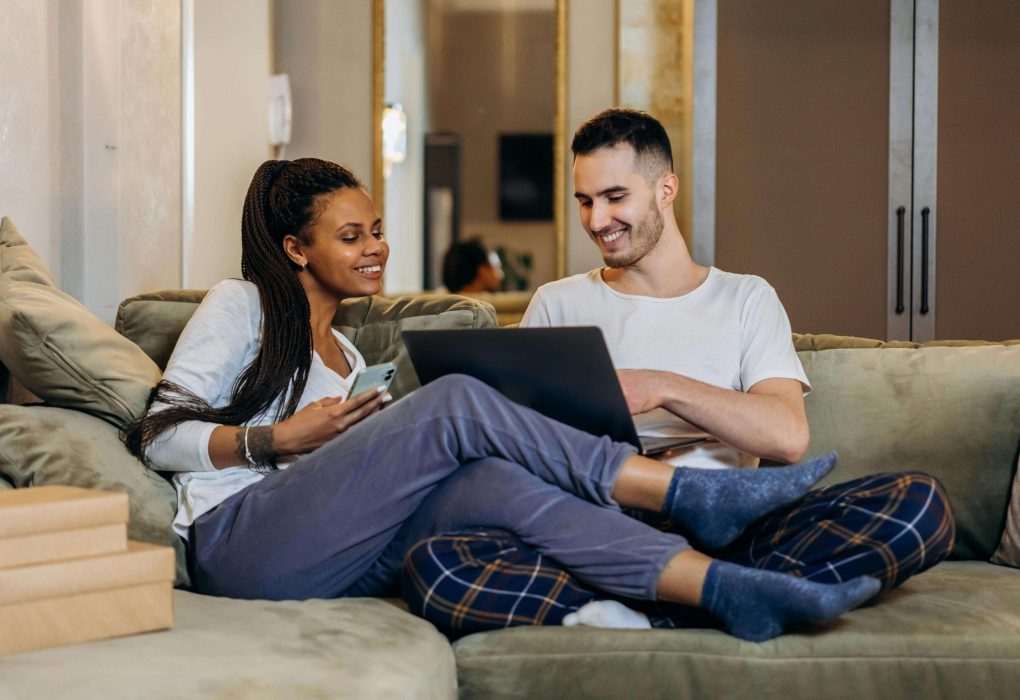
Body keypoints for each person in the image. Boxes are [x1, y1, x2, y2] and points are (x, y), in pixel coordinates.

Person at [123, 157, 884, 645]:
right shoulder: (240, 305)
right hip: (240, 544)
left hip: (328, 553)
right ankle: (684, 493)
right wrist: (276, 440)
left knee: (485, 482)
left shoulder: (351, 354)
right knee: (457, 400)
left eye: (377, 231)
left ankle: (726, 590)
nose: (375, 249)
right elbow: (156, 436)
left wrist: (363, 447)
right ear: (296, 249)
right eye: (351, 236)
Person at [401, 110, 956, 635]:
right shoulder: (556, 303)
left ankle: (646, 608)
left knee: (919, 504)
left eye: (616, 197)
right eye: (585, 201)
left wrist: (663, 387)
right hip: (596, 533)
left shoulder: (745, 298)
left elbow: (787, 438)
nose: (597, 221)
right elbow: (515, 451)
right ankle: (722, 599)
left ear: (665, 189)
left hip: (729, 531)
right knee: (434, 565)